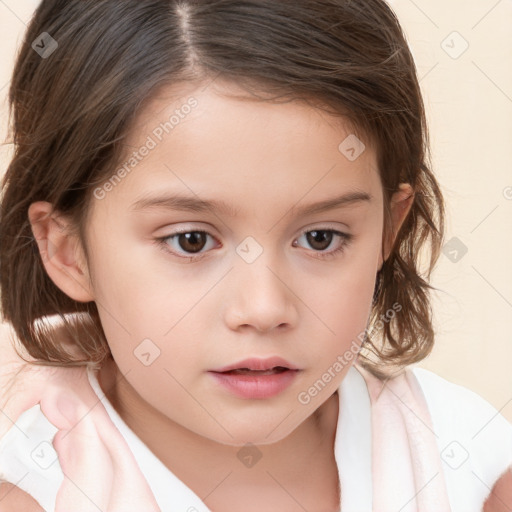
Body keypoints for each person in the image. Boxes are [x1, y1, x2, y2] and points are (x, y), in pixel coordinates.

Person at [0, 0, 510, 510]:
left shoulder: (464, 463)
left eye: (320, 238)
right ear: (68, 251)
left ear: (388, 230)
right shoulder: (32, 487)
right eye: (191, 241)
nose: (264, 308)